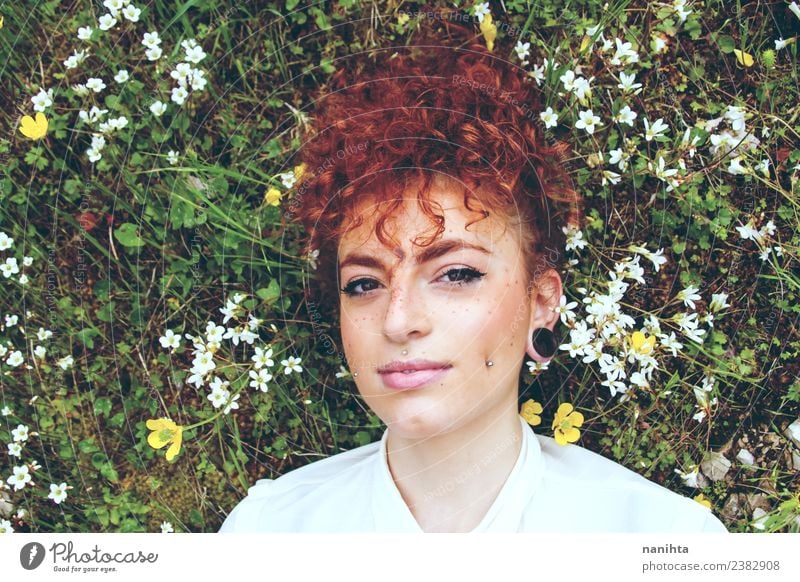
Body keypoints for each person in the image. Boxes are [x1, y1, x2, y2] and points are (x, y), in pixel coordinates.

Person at [219, 11, 727, 533]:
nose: (398, 322)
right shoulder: (267, 531)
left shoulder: (665, 539)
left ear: (542, 301)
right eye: (365, 284)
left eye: (456, 273)